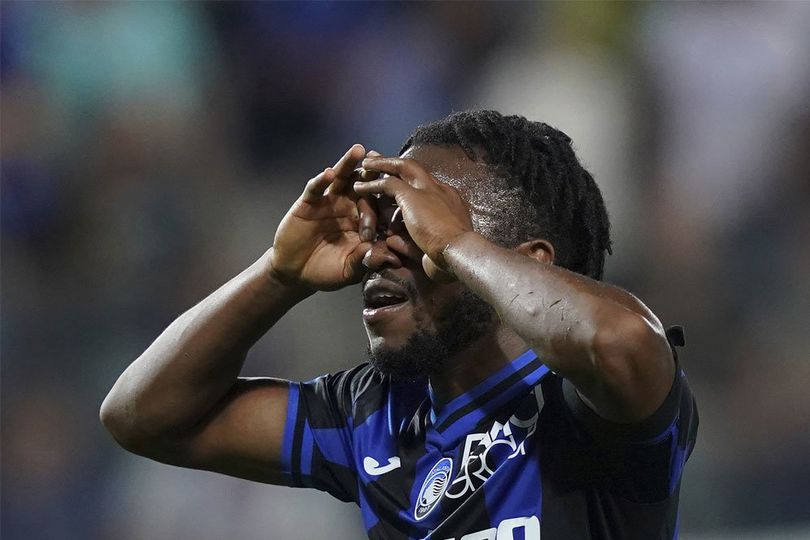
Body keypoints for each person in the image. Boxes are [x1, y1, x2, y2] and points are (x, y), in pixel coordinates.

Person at [101, 110, 698, 539]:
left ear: (530, 262)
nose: (377, 252)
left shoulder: (587, 406)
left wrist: (453, 243)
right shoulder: (371, 416)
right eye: (381, 224)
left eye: (415, 225)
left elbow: (621, 342)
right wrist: (278, 274)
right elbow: (141, 416)